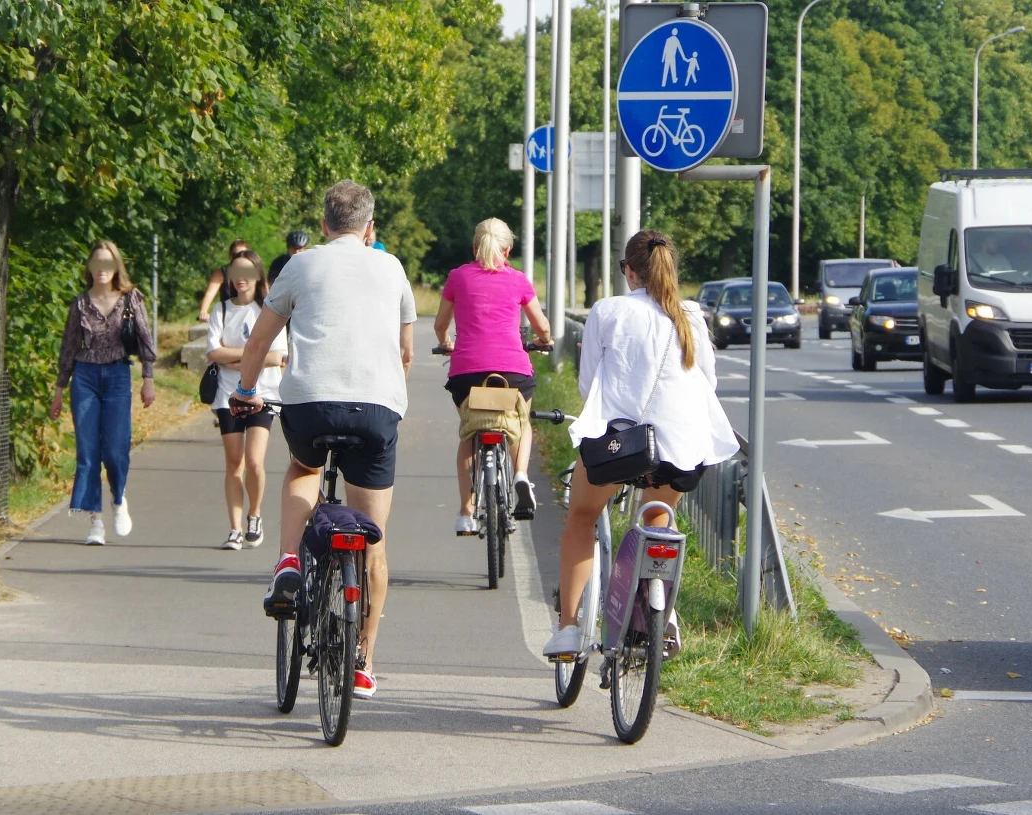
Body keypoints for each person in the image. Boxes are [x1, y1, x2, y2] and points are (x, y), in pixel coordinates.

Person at [232, 179, 416, 700]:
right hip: (377, 410)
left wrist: (247, 391)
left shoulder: (301, 264)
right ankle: (363, 661)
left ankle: (289, 560)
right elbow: (406, 352)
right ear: (369, 228)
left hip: (310, 406)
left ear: (323, 225)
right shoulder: (393, 266)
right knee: (374, 545)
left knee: (304, 469)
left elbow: (260, 339)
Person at [543, 230, 737, 657]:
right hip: (683, 449)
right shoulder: (691, 317)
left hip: (621, 446)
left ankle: (570, 628)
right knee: (658, 518)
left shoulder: (608, 310)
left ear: (629, 272)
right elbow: (708, 382)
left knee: (581, 516)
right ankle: (663, 615)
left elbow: (589, 382)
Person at [434, 218, 552, 534]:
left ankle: (465, 512)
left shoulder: (458, 277)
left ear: (474, 248)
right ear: (508, 249)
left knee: (469, 432)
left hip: (466, 373)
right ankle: (521, 475)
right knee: (521, 422)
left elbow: (440, 325)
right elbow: (542, 326)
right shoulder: (519, 280)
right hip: (513, 372)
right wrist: (543, 341)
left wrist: (447, 345)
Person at [52, 241, 158, 545]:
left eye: (107, 264)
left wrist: (148, 379)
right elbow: (68, 348)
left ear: (116, 268)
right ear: (89, 268)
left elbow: (145, 341)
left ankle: (118, 497)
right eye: (96, 264)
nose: (101, 270)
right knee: (88, 452)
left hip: (117, 375)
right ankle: (95, 521)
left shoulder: (130, 300)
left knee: (115, 450)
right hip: (84, 377)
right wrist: (59, 389)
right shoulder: (80, 304)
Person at [206, 254, 288, 550]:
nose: (240, 277)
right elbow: (213, 353)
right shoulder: (222, 310)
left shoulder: (268, 309)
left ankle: (255, 514)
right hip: (227, 395)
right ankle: (234, 528)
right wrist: (250, 357)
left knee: (254, 461)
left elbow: (275, 357)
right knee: (234, 463)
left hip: (263, 394)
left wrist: (238, 357)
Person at [198, 239, 251, 321]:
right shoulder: (221, 273)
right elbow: (210, 293)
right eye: (235, 254)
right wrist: (203, 311)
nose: (239, 257)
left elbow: (264, 293)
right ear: (230, 256)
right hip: (228, 316)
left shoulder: (253, 272)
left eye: (243, 254)